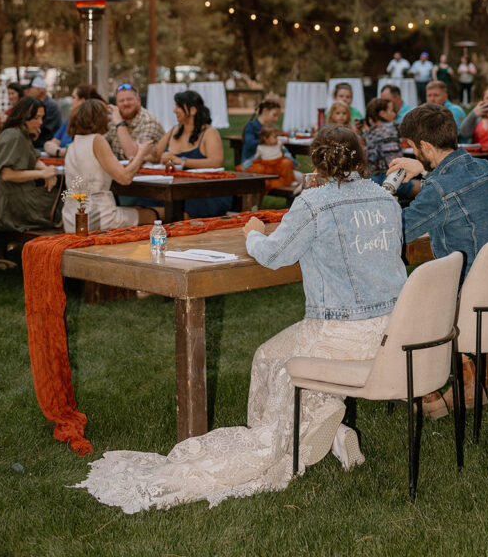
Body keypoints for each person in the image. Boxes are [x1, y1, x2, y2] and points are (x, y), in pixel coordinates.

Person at [74, 125, 407, 513]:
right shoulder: (386, 201)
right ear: (361, 158)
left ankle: (310, 432)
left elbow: (272, 255)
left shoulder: (314, 204)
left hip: (337, 331)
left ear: (315, 162)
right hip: (390, 331)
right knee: (268, 355)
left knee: (288, 374)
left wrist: (253, 233)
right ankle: (333, 432)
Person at [388, 104, 488, 281]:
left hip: (463, 290)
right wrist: (424, 168)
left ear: (425, 146)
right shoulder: (487, 169)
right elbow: (456, 182)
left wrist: (385, 198)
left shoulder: (438, 190)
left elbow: (395, 232)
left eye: (413, 147)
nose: (414, 154)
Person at [0, 96, 63, 270]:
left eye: (42, 117)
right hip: (8, 199)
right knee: (64, 201)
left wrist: (46, 172)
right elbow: (6, 174)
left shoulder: (21, 134)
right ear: (25, 116)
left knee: (63, 196)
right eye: (37, 118)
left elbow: (32, 156)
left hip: (14, 194)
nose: (41, 122)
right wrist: (42, 173)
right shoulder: (13, 135)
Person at [62, 99, 157, 232]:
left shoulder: (73, 144)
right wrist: (141, 153)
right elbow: (125, 179)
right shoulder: (97, 140)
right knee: (154, 214)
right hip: (97, 217)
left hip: (72, 218)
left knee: (138, 209)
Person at [153, 90, 232, 218]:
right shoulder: (174, 130)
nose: (174, 110)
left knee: (177, 210)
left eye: (178, 106)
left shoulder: (209, 133)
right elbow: (155, 155)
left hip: (203, 193)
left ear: (193, 110)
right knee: (146, 202)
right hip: (175, 190)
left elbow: (216, 162)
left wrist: (181, 161)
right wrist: (141, 153)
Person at [105, 82, 165, 161]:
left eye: (129, 99)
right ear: (116, 104)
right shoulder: (112, 121)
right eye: (121, 101)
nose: (125, 103)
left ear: (138, 101)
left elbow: (134, 156)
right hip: (119, 170)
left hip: (147, 171)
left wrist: (120, 124)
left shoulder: (149, 121)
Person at [44, 83, 103, 160]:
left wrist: (59, 151)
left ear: (82, 101)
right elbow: (50, 143)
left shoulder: (94, 124)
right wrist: (59, 150)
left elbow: (82, 152)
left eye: (73, 97)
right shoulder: (69, 120)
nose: (71, 101)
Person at [244, 125, 302, 192]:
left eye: (277, 136)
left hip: (279, 165)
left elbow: (287, 154)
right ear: (265, 138)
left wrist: (294, 162)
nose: (277, 139)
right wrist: (247, 164)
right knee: (257, 168)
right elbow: (255, 158)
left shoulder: (279, 143)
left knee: (287, 162)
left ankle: (289, 181)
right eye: (275, 137)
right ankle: (268, 181)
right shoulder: (260, 147)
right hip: (269, 168)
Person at [362, 98, 403, 184]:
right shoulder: (394, 127)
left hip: (373, 178)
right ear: (382, 114)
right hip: (394, 175)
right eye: (391, 111)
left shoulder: (367, 133)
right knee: (420, 185)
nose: (394, 114)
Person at [25, 75, 61, 149]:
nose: (27, 91)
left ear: (39, 90)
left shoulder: (51, 106)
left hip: (44, 145)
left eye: (31, 88)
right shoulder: (37, 103)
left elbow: (42, 128)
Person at [241, 99, 282, 164]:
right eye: (274, 115)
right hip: (251, 163)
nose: (277, 119)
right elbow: (249, 143)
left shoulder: (270, 128)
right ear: (265, 111)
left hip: (268, 160)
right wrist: (266, 141)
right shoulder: (252, 126)